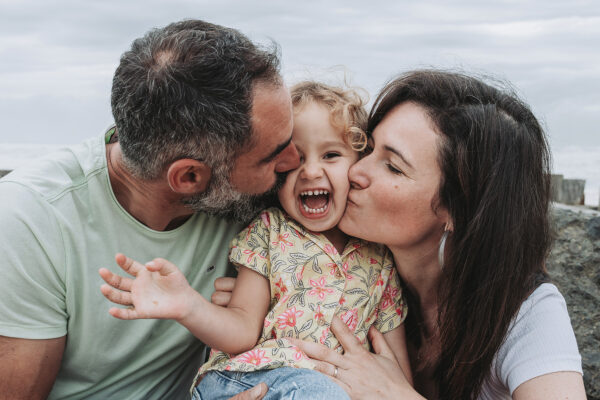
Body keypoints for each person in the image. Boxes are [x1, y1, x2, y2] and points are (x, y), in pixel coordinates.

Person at [0, 19, 300, 399]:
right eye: (273, 156)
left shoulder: (251, 200)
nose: (295, 161)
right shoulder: (28, 221)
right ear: (190, 178)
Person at [272, 70, 586, 399]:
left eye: (392, 166)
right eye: (367, 149)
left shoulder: (525, 311)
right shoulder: (340, 272)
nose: (355, 171)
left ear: (456, 211)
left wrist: (398, 395)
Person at [100, 81, 412, 400]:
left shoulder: (379, 255)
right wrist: (188, 306)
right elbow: (242, 329)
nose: (310, 171)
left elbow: (393, 368)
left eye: (331, 155)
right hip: (249, 378)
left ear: (359, 164)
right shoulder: (269, 231)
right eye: (295, 161)